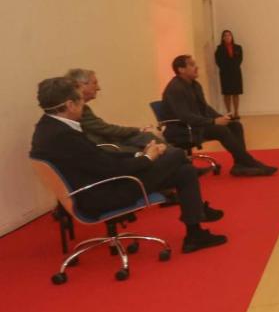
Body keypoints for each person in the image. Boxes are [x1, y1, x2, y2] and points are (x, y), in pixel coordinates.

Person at [30, 77, 227, 253]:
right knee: (175, 156)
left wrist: (139, 154)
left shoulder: (49, 127)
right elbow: (109, 168)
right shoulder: (64, 136)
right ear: (70, 104)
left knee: (185, 171)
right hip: (102, 194)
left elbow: (97, 157)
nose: (84, 105)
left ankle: (195, 233)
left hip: (94, 185)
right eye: (81, 101)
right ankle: (197, 220)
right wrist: (148, 158)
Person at [161, 55, 277, 176]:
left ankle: (240, 164)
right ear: (181, 69)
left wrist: (221, 117)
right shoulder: (175, 89)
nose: (196, 67)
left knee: (235, 125)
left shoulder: (195, 85)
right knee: (220, 130)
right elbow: (185, 116)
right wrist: (213, 122)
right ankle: (249, 162)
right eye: (191, 65)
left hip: (196, 125)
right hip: (183, 129)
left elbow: (204, 108)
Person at [65, 68, 162, 150]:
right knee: (150, 143)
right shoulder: (78, 109)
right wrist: (138, 130)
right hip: (103, 148)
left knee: (149, 139)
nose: (98, 88)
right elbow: (106, 129)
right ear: (81, 85)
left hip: (106, 143)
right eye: (94, 83)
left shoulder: (80, 107)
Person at [214, 30, 244, 118]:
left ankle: (236, 112)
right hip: (225, 73)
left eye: (229, 35)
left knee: (236, 92)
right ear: (223, 38)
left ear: (232, 37)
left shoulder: (238, 47)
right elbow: (218, 61)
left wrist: (233, 66)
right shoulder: (219, 48)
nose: (227, 37)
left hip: (235, 72)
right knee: (227, 93)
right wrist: (225, 68)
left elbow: (240, 59)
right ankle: (229, 112)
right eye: (225, 36)